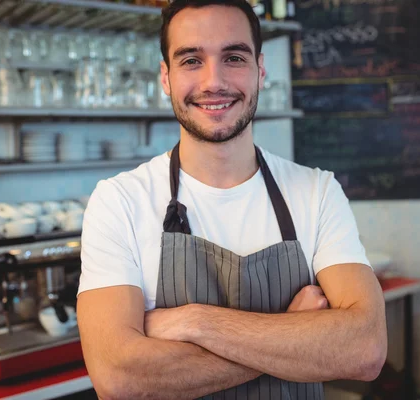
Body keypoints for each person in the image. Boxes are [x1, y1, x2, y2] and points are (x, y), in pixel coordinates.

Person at [76, 0, 387, 398]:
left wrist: (195, 322)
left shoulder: (317, 191)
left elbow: (365, 349)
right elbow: (119, 379)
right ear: (166, 77)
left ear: (260, 70)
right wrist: (293, 333)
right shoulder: (119, 201)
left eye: (233, 57)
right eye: (191, 60)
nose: (213, 82)